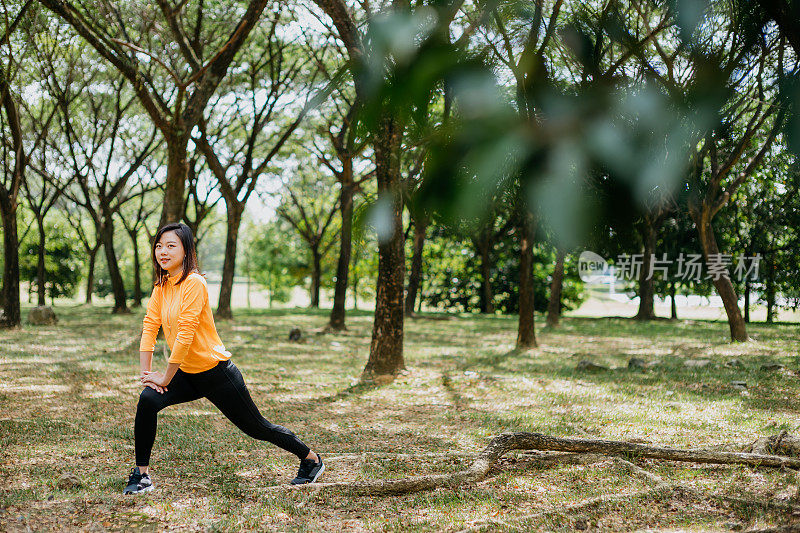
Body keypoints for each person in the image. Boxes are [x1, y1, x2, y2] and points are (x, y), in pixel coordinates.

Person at [123, 222, 324, 495]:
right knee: (148, 400)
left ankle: (311, 459)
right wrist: (148, 376)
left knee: (257, 427)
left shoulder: (194, 283)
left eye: (171, 245)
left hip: (217, 374)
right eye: (159, 246)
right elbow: (150, 326)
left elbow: (184, 335)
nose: (163, 251)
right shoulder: (162, 286)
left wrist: (165, 376)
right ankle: (142, 475)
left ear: (187, 250)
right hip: (187, 374)